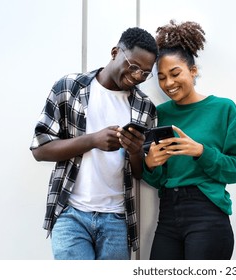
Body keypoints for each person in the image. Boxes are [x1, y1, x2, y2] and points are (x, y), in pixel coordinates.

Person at [30, 27, 158, 260]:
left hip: (117, 219)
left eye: (145, 73)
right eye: (133, 66)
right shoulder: (69, 88)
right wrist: (92, 140)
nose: (137, 76)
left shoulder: (144, 107)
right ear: (115, 53)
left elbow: (139, 173)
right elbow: (40, 149)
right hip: (70, 214)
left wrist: (136, 151)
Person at [142, 20, 236, 260]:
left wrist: (201, 151)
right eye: (161, 77)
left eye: (175, 73)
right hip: (167, 214)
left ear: (193, 70)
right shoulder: (161, 114)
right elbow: (159, 179)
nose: (168, 83)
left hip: (207, 213)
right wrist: (151, 165)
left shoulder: (223, 108)